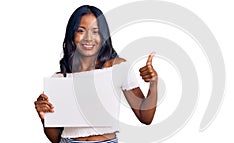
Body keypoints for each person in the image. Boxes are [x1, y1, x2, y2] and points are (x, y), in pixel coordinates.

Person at [34, 5, 157, 143]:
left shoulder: (117, 68)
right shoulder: (59, 79)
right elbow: (56, 139)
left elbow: (145, 118)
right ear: (72, 34)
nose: (88, 38)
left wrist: (153, 83)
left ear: (103, 35)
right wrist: (44, 118)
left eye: (95, 31)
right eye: (81, 30)